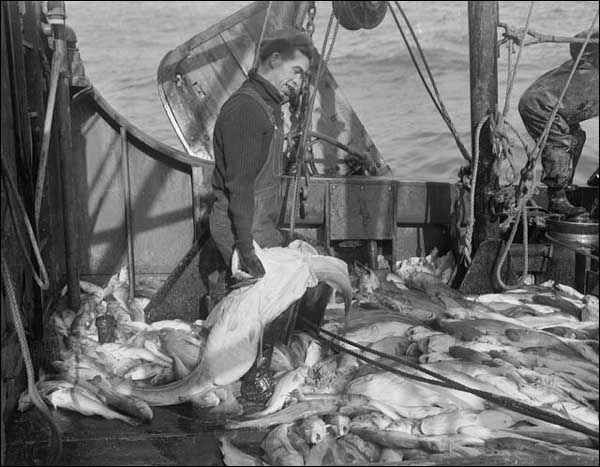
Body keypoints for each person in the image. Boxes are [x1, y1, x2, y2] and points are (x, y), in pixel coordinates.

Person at [205, 28, 332, 402]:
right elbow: (240, 189)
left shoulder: (268, 105)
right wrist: (246, 251)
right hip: (239, 225)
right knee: (267, 293)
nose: (298, 82)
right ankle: (252, 377)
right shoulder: (246, 110)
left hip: (258, 222)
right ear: (273, 61)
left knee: (316, 270)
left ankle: (288, 354)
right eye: (295, 71)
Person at [518, 29, 599, 218]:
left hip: (559, 109)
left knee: (577, 137)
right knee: (560, 143)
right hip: (540, 105)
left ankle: (566, 188)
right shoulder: (588, 60)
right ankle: (557, 199)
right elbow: (578, 40)